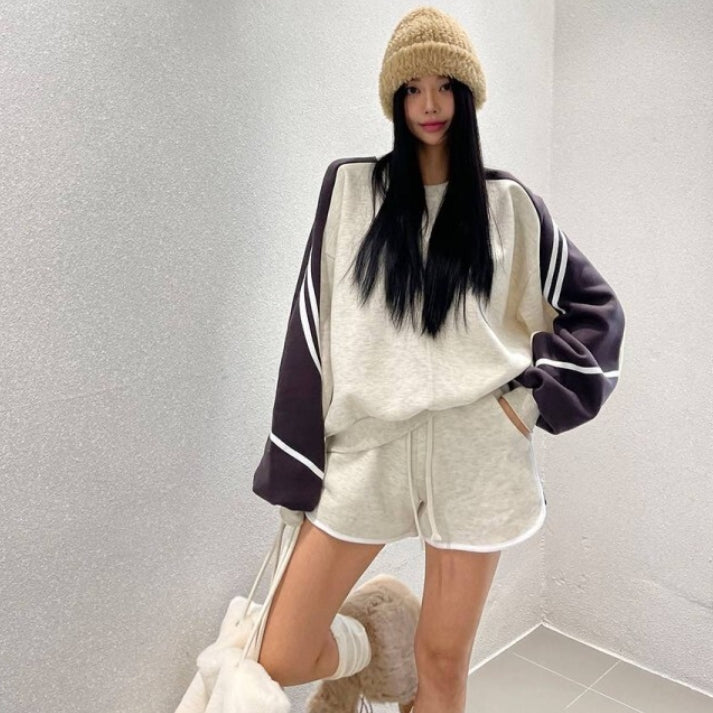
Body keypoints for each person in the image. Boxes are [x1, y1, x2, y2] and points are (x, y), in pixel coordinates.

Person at [250, 6, 626, 713]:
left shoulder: (508, 204)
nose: (429, 103)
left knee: (444, 663)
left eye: (445, 85)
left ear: (467, 94)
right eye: (412, 88)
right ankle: (375, 642)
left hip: (476, 452)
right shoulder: (349, 192)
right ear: (394, 99)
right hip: (370, 447)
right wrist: (298, 460)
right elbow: (310, 327)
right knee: (281, 651)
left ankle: (407, 658)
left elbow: (597, 312)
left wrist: (529, 403)